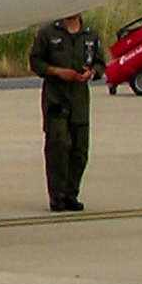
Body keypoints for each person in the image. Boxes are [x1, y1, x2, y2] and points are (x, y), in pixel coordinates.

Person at [27, 11, 102, 211]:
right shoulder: (48, 33)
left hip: (79, 100)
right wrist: (58, 72)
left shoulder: (90, 35)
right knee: (58, 147)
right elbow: (35, 62)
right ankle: (57, 196)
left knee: (80, 151)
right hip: (56, 98)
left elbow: (100, 63)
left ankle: (71, 194)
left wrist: (92, 72)